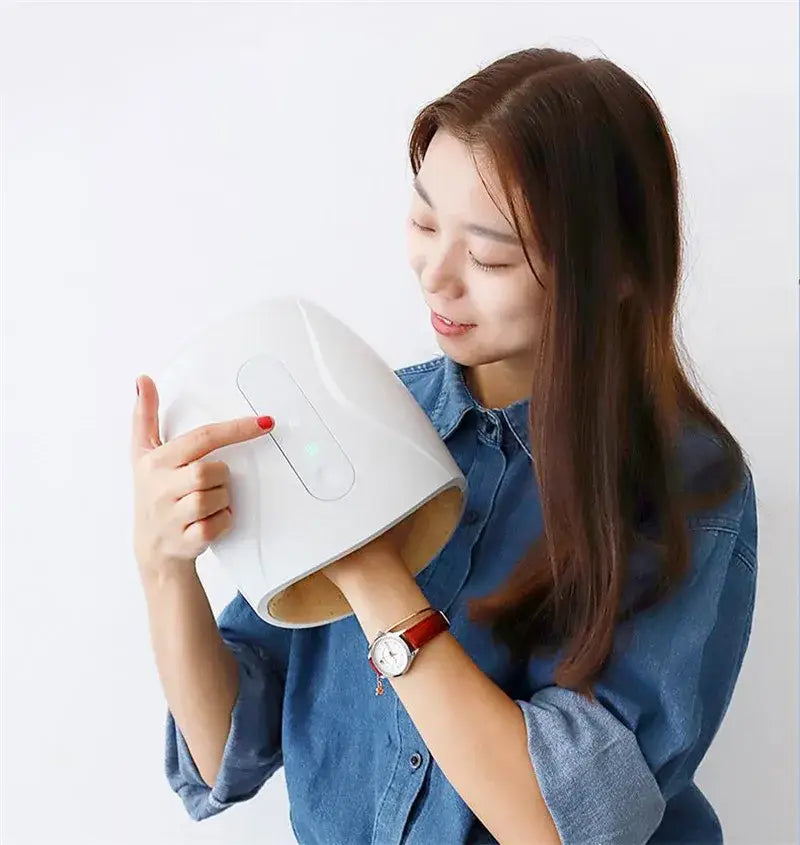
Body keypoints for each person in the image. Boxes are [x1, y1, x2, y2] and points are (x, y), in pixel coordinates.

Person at [131, 47, 758, 844]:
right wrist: (163, 568)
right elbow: (229, 746)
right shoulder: (365, 408)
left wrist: (366, 563)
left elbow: (562, 825)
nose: (436, 272)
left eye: (491, 255)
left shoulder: (687, 488)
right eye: (425, 220)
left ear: (617, 273)